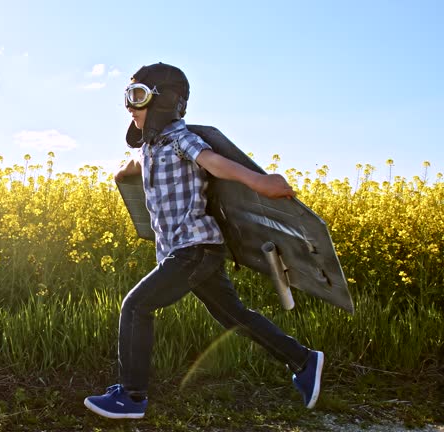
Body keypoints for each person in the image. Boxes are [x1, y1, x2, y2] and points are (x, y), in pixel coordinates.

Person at [83, 62, 324, 419]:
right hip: (186, 252)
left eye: (137, 98)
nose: (130, 108)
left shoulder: (181, 138)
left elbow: (213, 162)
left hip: (194, 248)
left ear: (163, 102)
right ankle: (303, 360)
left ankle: (131, 397)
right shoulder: (152, 147)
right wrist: (122, 170)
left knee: (136, 306)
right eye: (128, 98)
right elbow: (135, 166)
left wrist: (261, 183)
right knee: (234, 316)